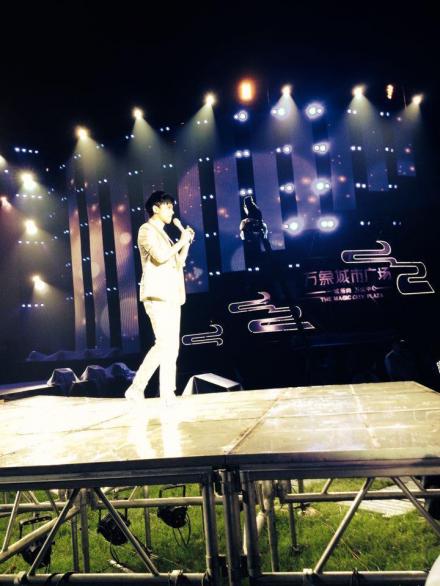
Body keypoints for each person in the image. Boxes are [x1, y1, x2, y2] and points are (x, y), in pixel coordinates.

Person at [125, 191, 194, 404]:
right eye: (169, 207)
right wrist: (181, 241)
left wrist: (186, 243)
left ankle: (155, 390)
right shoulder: (146, 230)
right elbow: (160, 257)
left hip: (172, 295)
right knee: (164, 344)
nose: (172, 211)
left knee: (170, 346)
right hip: (157, 295)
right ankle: (149, 390)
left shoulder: (165, 235)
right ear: (156, 208)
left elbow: (178, 262)